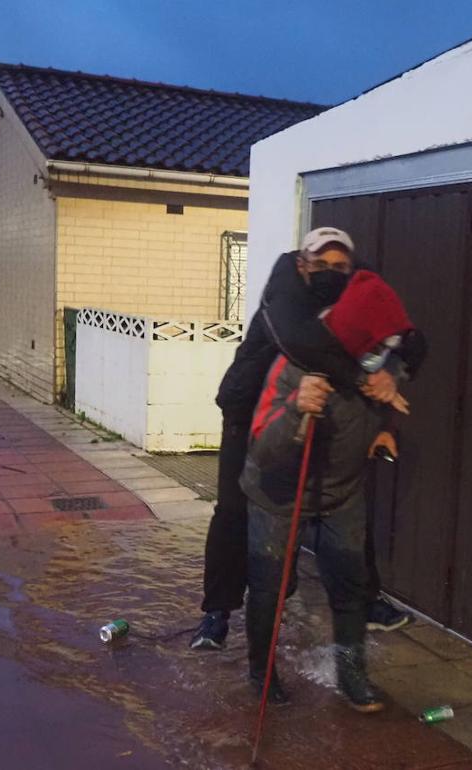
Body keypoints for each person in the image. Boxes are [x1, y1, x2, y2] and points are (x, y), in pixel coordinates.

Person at [191, 227, 410, 651]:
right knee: (235, 511)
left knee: (343, 500)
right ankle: (216, 612)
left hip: (314, 413)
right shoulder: (284, 299)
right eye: (320, 264)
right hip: (249, 412)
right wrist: (364, 378)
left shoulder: (349, 304)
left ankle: (364, 599)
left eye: (340, 266)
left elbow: (391, 344)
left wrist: (387, 393)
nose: (330, 272)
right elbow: (303, 345)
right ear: (302, 265)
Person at [241, 270, 426, 711]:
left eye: (389, 350)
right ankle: (261, 673)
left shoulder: (380, 365)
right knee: (270, 588)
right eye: (379, 348)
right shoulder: (293, 368)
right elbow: (264, 450)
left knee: (351, 587)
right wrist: (296, 409)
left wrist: (383, 428)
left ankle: (351, 675)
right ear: (354, 337)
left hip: (342, 494)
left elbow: (391, 389)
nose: (385, 356)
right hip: (279, 496)